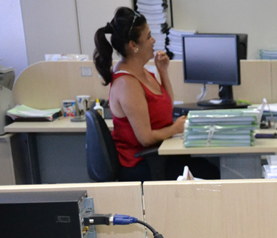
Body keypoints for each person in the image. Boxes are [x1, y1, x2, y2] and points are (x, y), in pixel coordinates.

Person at [93, 8, 218, 181]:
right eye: (148, 36)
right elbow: (145, 138)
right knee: (212, 172)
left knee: (209, 166)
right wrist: (175, 129)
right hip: (143, 163)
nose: (153, 41)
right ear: (133, 45)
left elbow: (166, 105)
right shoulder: (127, 83)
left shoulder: (140, 71)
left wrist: (163, 72)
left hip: (160, 154)